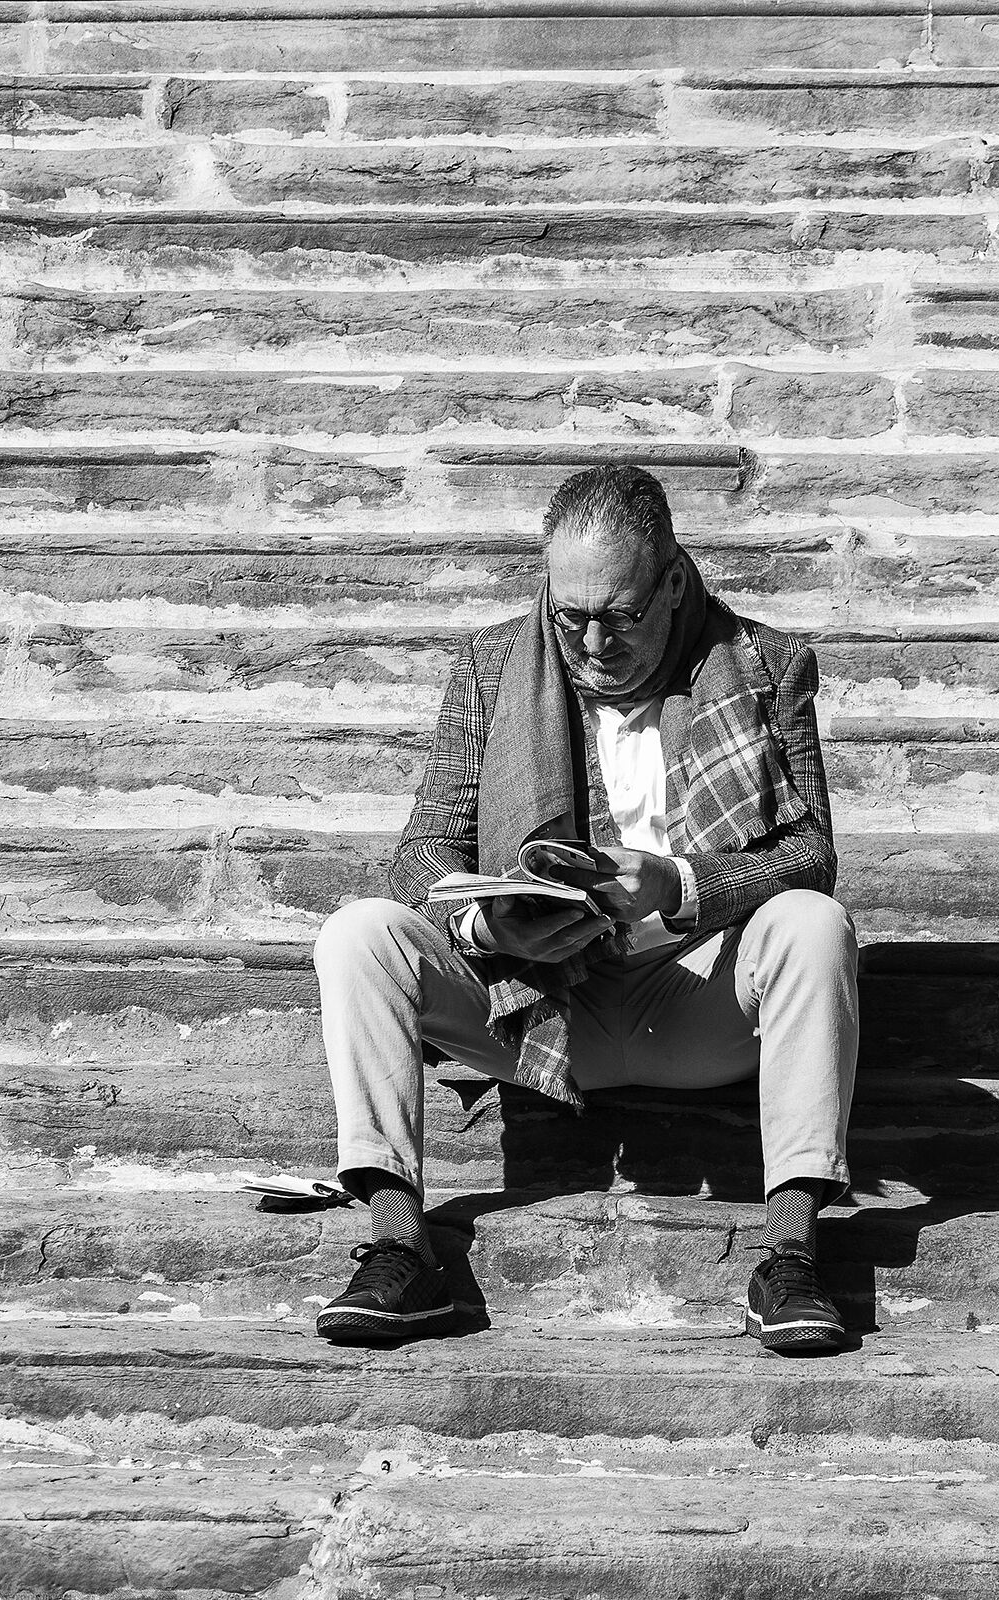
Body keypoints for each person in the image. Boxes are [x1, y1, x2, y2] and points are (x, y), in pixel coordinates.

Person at [308, 464, 858, 1353]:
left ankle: (789, 1255)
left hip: (694, 1001)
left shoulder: (767, 662)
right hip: (533, 1001)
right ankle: (397, 1247)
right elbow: (421, 852)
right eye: (571, 617)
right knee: (358, 933)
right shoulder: (493, 665)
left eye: (622, 615)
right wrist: (491, 924)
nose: (593, 642)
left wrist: (680, 887)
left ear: (675, 582)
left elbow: (810, 858)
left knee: (813, 923)